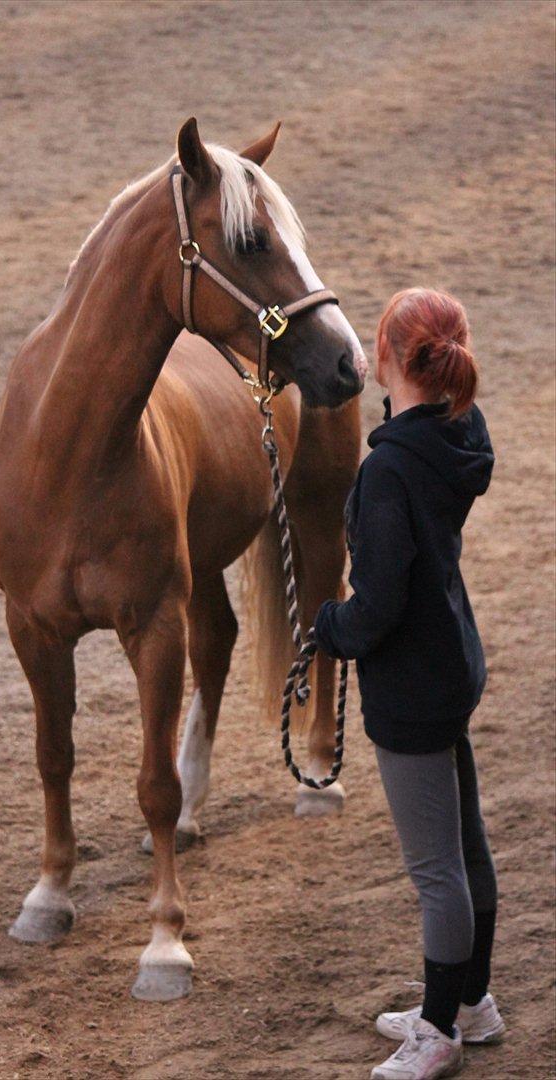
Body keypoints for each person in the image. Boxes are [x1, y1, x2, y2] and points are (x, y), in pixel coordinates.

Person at [315, 288, 504, 1080]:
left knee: (437, 869)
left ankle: (436, 1030)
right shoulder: (458, 431)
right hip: (449, 661)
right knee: (464, 845)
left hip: (411, 683)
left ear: (389, 360)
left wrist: (332, 629)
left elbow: (380, 600)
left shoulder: (389, 468)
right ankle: (472, 1002)